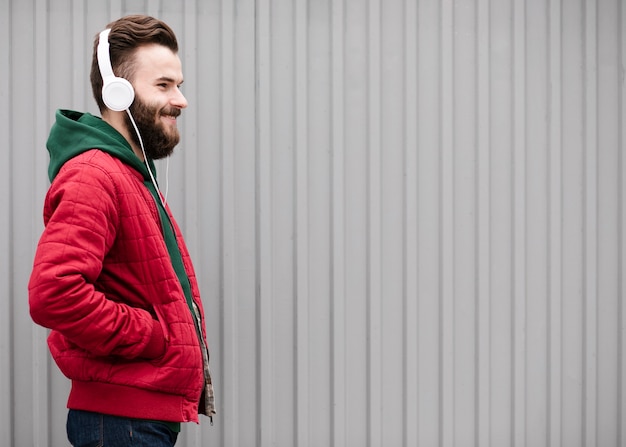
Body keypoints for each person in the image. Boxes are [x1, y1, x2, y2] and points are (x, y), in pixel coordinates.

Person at [28, 15, 215, 446]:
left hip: (135, 419)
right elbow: (54, 294)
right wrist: (152, 334)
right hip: (122, 422)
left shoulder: (130, 175)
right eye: (164, 85)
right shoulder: (94, 175)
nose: (181, 100)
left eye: (179, 84)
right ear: (119, 93)